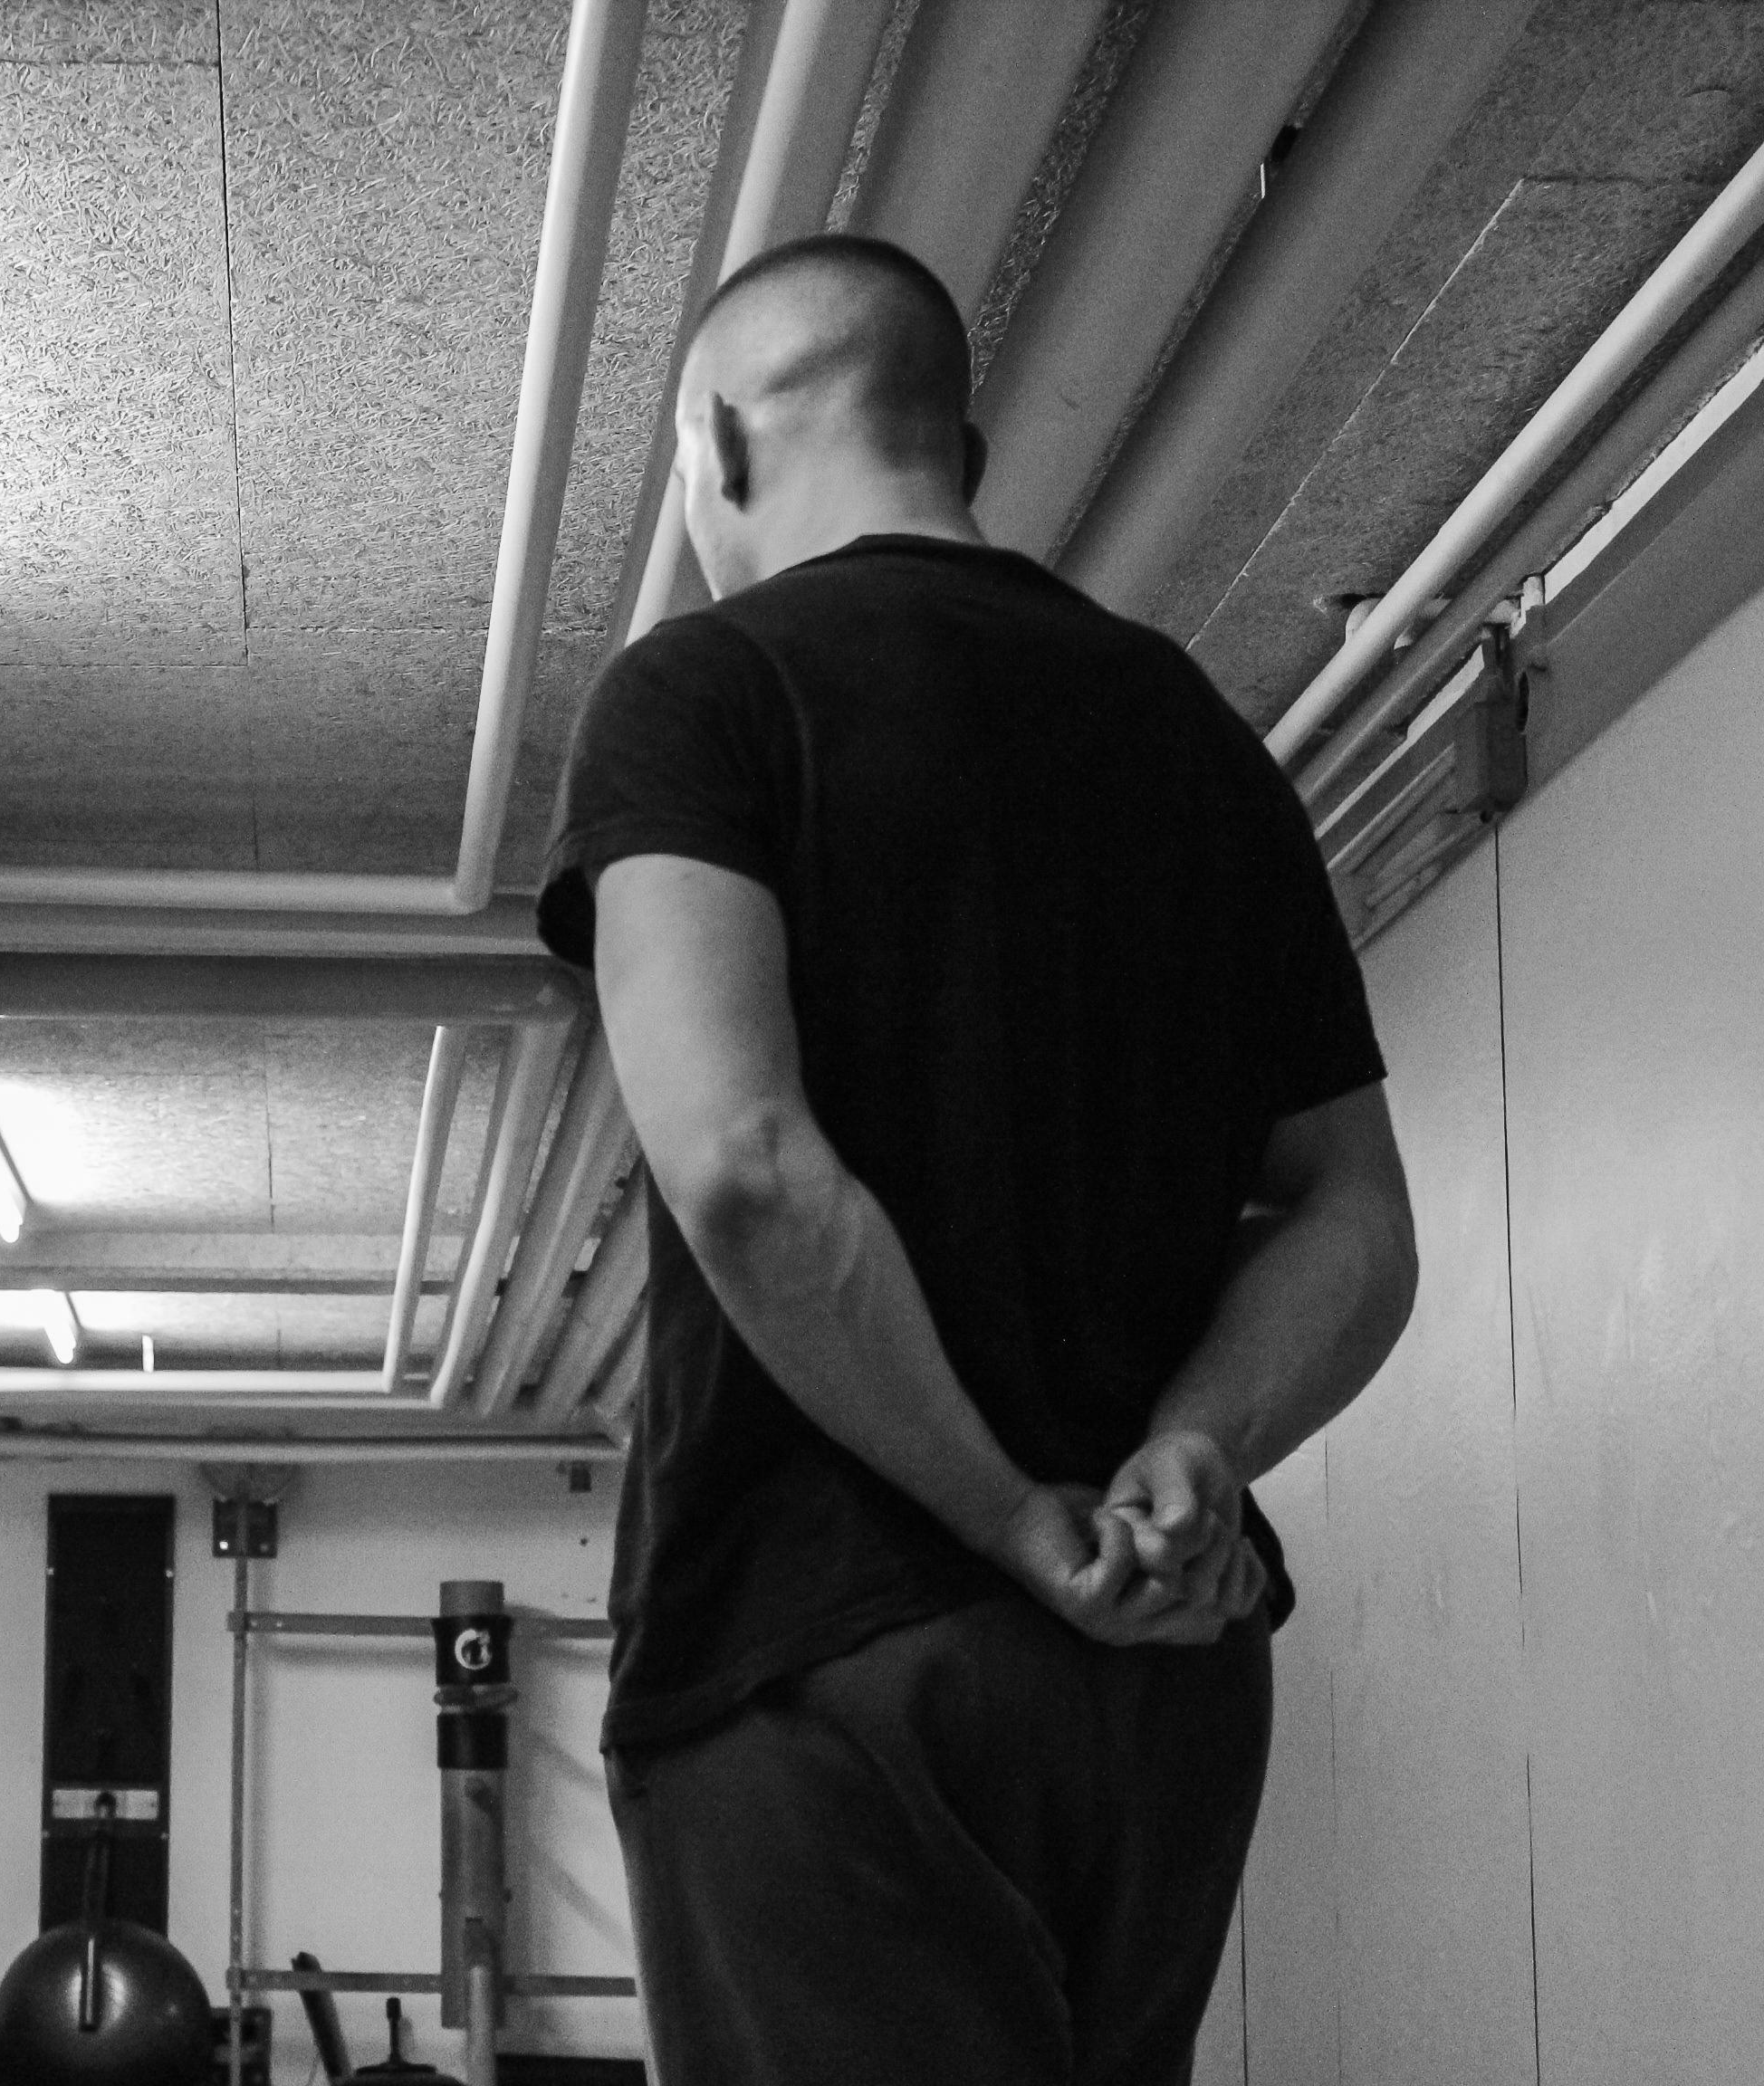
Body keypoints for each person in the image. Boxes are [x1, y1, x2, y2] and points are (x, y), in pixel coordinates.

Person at [537, 235, 1421, 2086]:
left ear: (717, 442)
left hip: (830, 1648)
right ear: (968, 446)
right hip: (1169, 1673)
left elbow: (747, 1165)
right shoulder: (1202, 741)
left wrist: (1012, 1514)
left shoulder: (702, 691)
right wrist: (1195, 1447)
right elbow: (1351, 1213)